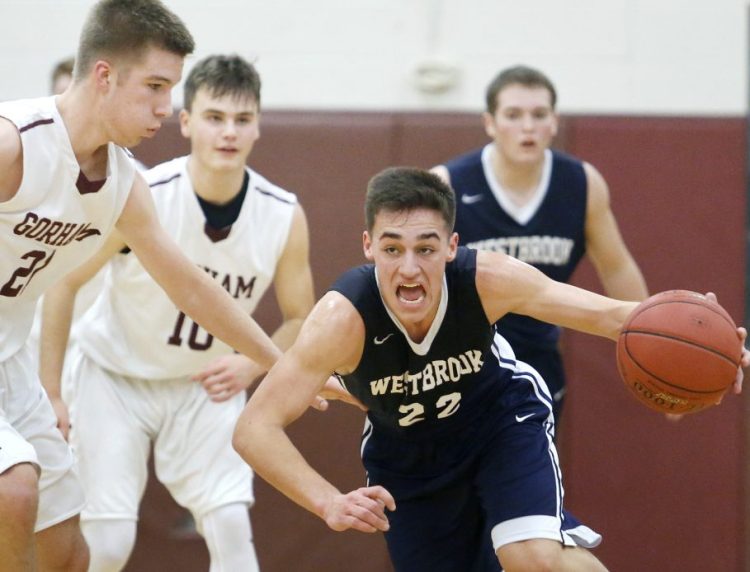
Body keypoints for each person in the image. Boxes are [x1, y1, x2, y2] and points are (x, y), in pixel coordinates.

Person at [232, 167, 749, 572]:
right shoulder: (339, 321)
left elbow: (612, 316)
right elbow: (254, 428)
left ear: (452, 247)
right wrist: (327, 502)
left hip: (500, 422)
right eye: (392, 249)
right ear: (368, 247)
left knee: (532, 557)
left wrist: (704, 337)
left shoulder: (488, 280)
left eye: (426, 248)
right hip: (408, 459)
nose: (409, 268)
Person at [0, 1, 277, 568]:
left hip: (10, 361)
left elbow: (191, 288)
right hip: (72, 368)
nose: (164, 106)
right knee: (15, 488)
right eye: (154, 86)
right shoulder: (14, 143)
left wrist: (282, 361)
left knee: (70, 549)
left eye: (170, 88)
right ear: (104, 75)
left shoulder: (124, 182)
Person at [40, 53, 315, 572]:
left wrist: (252, 363)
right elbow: (64, 282)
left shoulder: (283, 214)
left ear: (258, 126)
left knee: (232, 530)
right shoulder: (144, 196)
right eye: (214, 117)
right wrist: (51, 391)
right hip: (114, 378)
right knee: (110, 542)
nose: (228, 133)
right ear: (186, 122)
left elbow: (301, 315)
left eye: (241, 119)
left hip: (203, 383)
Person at [431, 65, 648, 425]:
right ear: (490, 123)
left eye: (538, 114)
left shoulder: (581, 183)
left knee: (529, 478)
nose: (527, 126)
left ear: (554, 122)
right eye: (513, 115)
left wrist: (652, 341)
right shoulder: (446, 184)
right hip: (459, 362)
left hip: (539, 356)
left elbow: (617, 267)